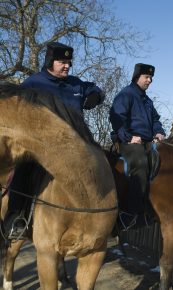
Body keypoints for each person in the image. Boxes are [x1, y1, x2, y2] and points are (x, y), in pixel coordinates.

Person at [4, 41, 105, 239]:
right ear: (50, 62)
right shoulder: (33, 83)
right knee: (25, 168)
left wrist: (95, 96)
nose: (67, 65)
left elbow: (97, 90)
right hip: (44, 146)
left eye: (69, 62)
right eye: (62, 61)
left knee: (102, 166)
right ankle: (16, 217)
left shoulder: (75, 83)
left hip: (77, 144)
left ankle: (106, 217)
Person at [109, 63, 165, 230]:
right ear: (137, 77)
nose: (150, 80)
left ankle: (151, 208)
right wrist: (128, 137)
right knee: (140, 164)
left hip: (148, 141)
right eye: (146, 77)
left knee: (163, 161)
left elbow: (155, 120)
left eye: (151, 78)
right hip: (127, 142)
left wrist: (159, 132)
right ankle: (130, 213)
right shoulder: (125, 95)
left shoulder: (147, 100)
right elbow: (116, 118)